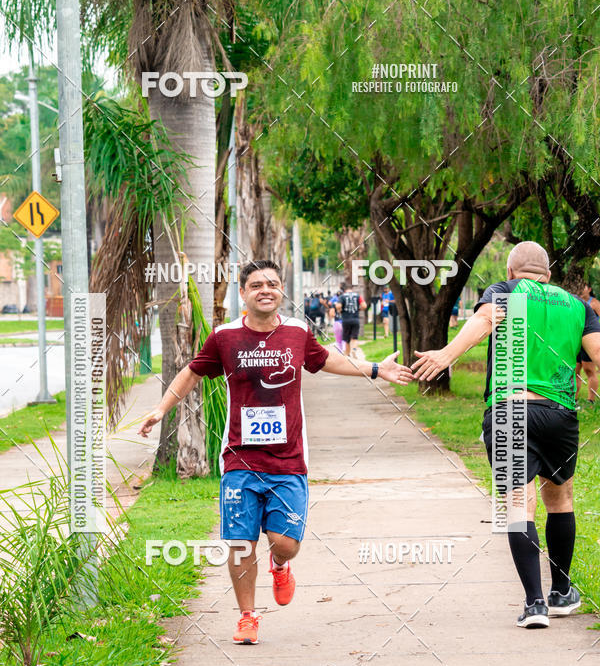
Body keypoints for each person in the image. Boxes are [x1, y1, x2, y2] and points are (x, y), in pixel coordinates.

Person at [139, 260, 412, 645]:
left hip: (288, 459)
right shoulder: (225, 336)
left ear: (281, 290)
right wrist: (161, 408)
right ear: (243, 293)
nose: (265, 289)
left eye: (272, 283)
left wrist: (372, 369)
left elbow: (326, 360)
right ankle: (248, 616)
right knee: (239, 542)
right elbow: (192, 372)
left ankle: (279, 564)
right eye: (256, 285)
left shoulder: (298, 332)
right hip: (239, 459)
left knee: (285, 542)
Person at [412, 241, 600, 629]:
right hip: (560, 415)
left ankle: (535, 604)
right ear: (547, 275)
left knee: (519, 503)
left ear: (511, 272)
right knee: (560, 498)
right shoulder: (577, 305)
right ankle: (562, 593)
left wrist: (447, 355)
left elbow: (484, 320)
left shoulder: (505, 291)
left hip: (511, 408)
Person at [336, 282, 367, 357]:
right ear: (352, 289)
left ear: (344, 289)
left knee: (347, 338)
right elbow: (364, 306)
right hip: (355, 319)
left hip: (346, 320)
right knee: (354, 337)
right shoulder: (357, 296)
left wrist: (340, 311)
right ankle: (354, 350)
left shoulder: (342, 296)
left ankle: (347, 353)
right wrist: (358, 309)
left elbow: (338, 306)